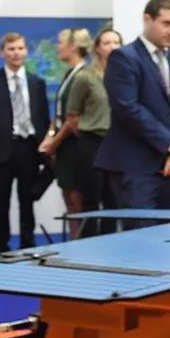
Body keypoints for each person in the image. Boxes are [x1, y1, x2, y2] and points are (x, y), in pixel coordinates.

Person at [94, 0, 170, 226]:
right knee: (140, 239)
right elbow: (128, 108)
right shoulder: (124, 57)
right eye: (166, 23)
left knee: (169, 238)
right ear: (147, 19)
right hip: (135, 165)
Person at [0, 33, 50, 254]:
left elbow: (43, 118)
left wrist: (45, 149)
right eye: (11, 49)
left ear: (26, 51)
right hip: (2, 149)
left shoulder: (37, 82)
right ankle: (0, 244)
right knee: (2, 201)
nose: (16, 53)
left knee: (27, 201)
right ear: (2, 53)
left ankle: (28, 242)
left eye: (20, 48)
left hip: (29, 147)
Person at [66, 28, 123, 237]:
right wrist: (88, 133)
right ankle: (89, 242)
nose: (112, 47)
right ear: (97, 48)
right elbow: (73, 116)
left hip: (117, 143)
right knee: (91, 198)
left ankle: (110, 242)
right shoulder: (85, 77)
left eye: (116, 42)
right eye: (107, 43)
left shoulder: (125, 76)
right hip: (92, 141)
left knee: (114, 199)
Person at [38, 28, 92, 238]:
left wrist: (54, 143)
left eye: (61, 43)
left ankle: (80, 244)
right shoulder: (69, 74)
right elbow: (60, 114)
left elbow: (73, 120)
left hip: (76, 146)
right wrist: (50, 136)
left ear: (73, 47)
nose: (58, 47)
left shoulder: (83, 75)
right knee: (68, 197)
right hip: (64, 147)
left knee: (77, 200)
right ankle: (73, 242)